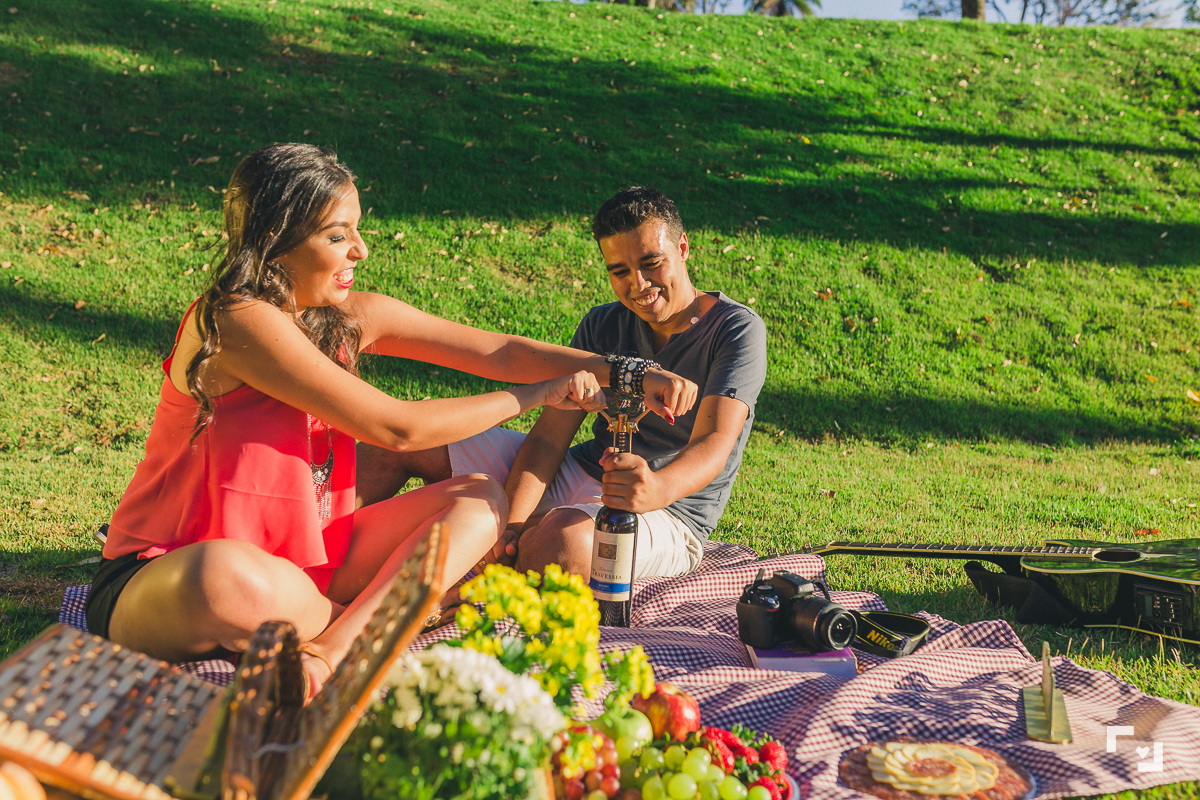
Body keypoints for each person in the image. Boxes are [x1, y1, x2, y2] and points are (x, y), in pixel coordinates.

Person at [86, 146, 696, 696]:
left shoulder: (345, 315)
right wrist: (539, 395)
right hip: (166, 573)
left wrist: (630, 373)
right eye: (337, 235)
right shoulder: (236, 320)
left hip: (308, 566)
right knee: (222, 577)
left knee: (481, 501)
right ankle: (397, 611)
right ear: (278, 240)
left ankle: (329, 650)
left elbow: (499, 351)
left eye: (358, 229)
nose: (361, 250)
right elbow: (397, 429)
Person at [357, 186, 767, 583]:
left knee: (565, 541)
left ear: (682, 249)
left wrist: (657, 488)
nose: (638, 284)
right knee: (397, 444)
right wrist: (511, 525)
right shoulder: (602, 323)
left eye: (651, 262)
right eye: (620, 271)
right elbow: (549, 441)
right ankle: (323, 567)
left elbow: (713, 444)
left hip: (670, 511)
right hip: (581, 470)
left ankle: (464, 588)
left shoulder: (735, 329)